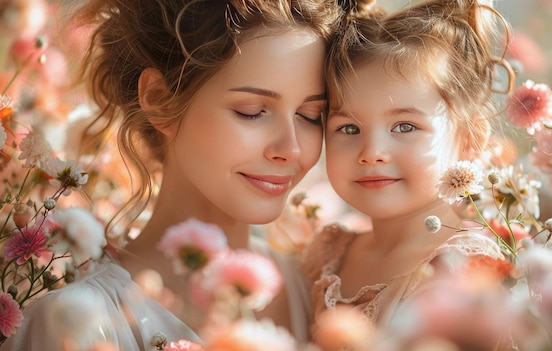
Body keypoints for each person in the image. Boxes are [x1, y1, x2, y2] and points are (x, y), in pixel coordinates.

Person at [1, 0, 342, 350]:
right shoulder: (81, 325)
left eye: (311, 115)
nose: (292, 147)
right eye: (252, 112)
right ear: (159, 99)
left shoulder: (325, 292)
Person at [303, 0, 515, 346]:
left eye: (404, 126)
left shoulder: (461, 269)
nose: (372, 154)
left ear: (470, 140)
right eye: (349, 129)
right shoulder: (328, 254)